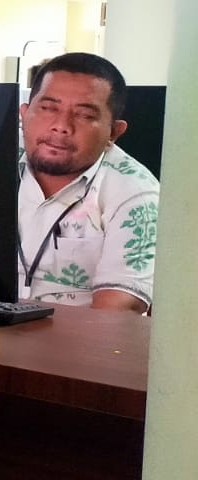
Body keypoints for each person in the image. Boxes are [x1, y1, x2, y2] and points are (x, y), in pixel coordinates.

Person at [18, 52, 158, 312]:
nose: (61, 126)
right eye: (48, 108)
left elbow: (115, 313)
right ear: (24, 113)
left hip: (73, 342)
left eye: (84, 115)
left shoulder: (137, 194)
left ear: (114, 133)